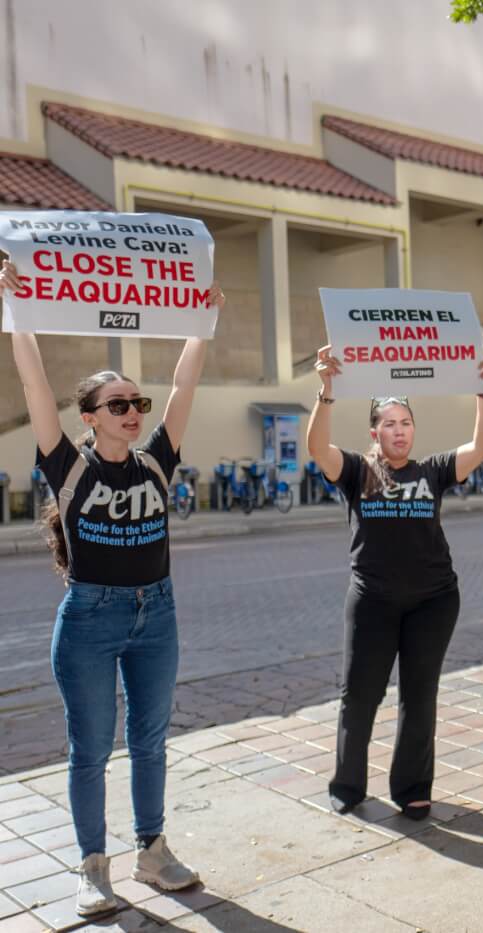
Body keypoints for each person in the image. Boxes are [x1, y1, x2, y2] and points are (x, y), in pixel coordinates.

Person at [4, 259, 220, 917]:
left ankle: (152, 852)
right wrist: (15, 307)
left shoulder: (157, 458)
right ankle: (93, 867)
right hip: (90, 619)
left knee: (151, 739)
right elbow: (33, 379)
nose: (133, 412)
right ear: (91, 416)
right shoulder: (66, 464)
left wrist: (201, 318)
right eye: (118, 404)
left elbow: (185, 381)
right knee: (91, 749)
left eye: (137, 403)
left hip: (158, 611)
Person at [306, 348, 483, 819]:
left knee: (420, 694)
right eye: (390, 423)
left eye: (406, 422)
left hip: (433, 601)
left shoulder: (431, 471)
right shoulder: (356, 470)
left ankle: (412, 786)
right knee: (361, 694)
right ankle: (348, 785)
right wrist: (327, 390)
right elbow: (317, 448)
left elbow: (479, 449)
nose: (399, 431)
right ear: (375, 431)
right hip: (372, 601)